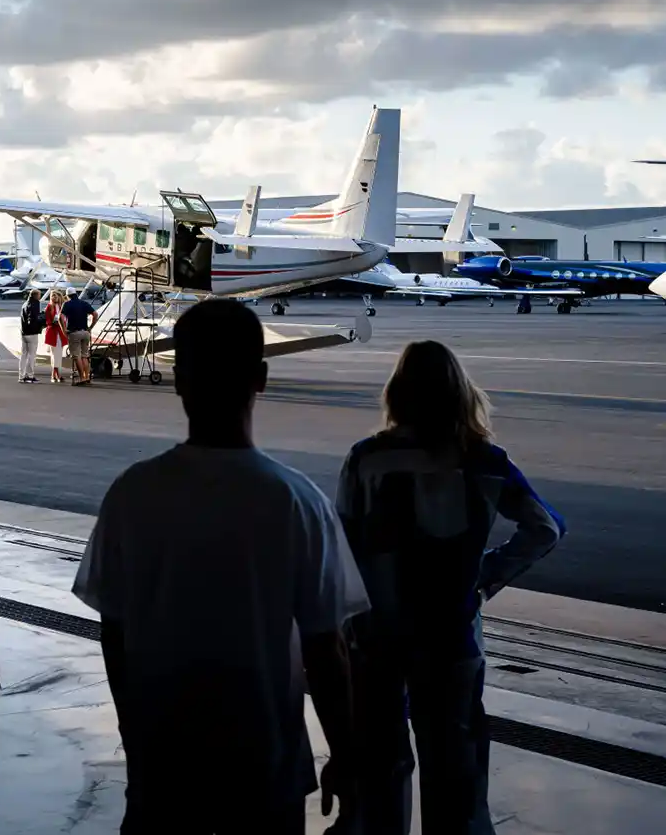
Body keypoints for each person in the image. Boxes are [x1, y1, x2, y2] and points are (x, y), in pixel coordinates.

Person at [72, 298, 365, 834]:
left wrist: (135, 736)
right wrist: (345, 756)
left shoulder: (132, 495)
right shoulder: (299, 502)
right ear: (261, 379)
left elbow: (115, 633)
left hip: (164, 765)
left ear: (179, 381)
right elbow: (327, 649)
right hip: (265, 768)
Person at [337, 341, 565, 835]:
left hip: (378, 636)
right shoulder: (486, 460)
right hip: (453, 635)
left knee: (381, 768)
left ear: (397, 392)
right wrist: (486, 574)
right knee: (455, 774)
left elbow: (344, 546)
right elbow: (546, 528)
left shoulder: (367, 459)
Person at [60, 290, 96, 385]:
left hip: (74, 332)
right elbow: (95, 314)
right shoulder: (84, 303)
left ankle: (82, 378)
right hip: (85, 332)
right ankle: (87, 376)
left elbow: (61, 317)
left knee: (76, 356)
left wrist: (64, 329)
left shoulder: (67, 304)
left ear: (68, 296)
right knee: (85, 355)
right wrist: (91, 327)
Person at [18, 289, 45, 383]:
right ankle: (30, 375)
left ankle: (21, 376)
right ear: (36, 296)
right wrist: (41, 322)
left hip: (24, 332)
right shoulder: (35, 303)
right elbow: (33, 318)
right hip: (32, 333)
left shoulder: (25, 304)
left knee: (23, 355)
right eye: (39, 295)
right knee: (32, 355)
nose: (40, 297)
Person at [43, 289, 68, 384]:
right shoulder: (49, 307)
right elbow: (48, 321)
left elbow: (64, 319)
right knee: (55, 355)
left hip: (60, 333)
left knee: (58, 355)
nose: (54, 297)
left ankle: (55, 375)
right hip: (53, 332)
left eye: (55, 296)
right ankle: (56, 375)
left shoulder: (61, 306)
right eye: (52, 296)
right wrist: (54, 322)